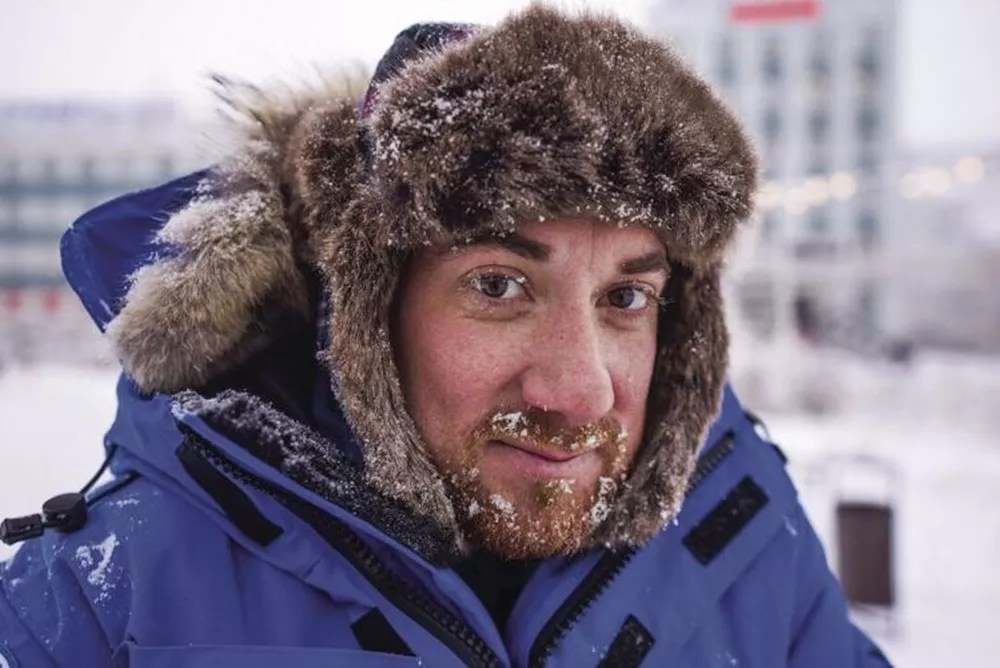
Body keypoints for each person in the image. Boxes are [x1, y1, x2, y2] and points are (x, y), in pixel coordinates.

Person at [0, 7, 891, 666]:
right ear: (362, 315)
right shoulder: (103, 600)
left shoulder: (739, 525)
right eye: (500, 286)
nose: (581, 393)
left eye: (625, 298)